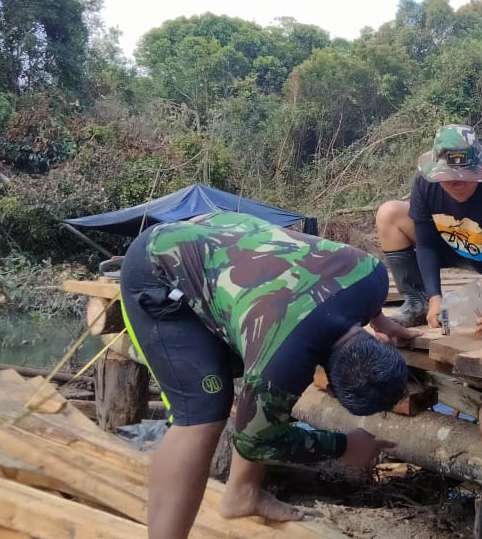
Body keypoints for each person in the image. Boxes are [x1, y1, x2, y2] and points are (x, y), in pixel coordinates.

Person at [119, 211, 415, 539]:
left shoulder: (372, 277)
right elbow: (254, 439)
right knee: (201, 415)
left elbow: (340, 288)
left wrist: (381, 319)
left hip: (218, 233)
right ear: (327, 384)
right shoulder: (280, 361)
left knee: (263, 403)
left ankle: (242, 494)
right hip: (157, 268)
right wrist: (342, 446)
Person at [376, 125, 482, 337]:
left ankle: (481, 294)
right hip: (451, 243)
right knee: (389, 213)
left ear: (479, 170)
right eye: (449, 175)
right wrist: (434, 298)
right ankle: (417, 302)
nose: (458, 183)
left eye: (466, 175)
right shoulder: (424, 185)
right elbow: (426, 245)